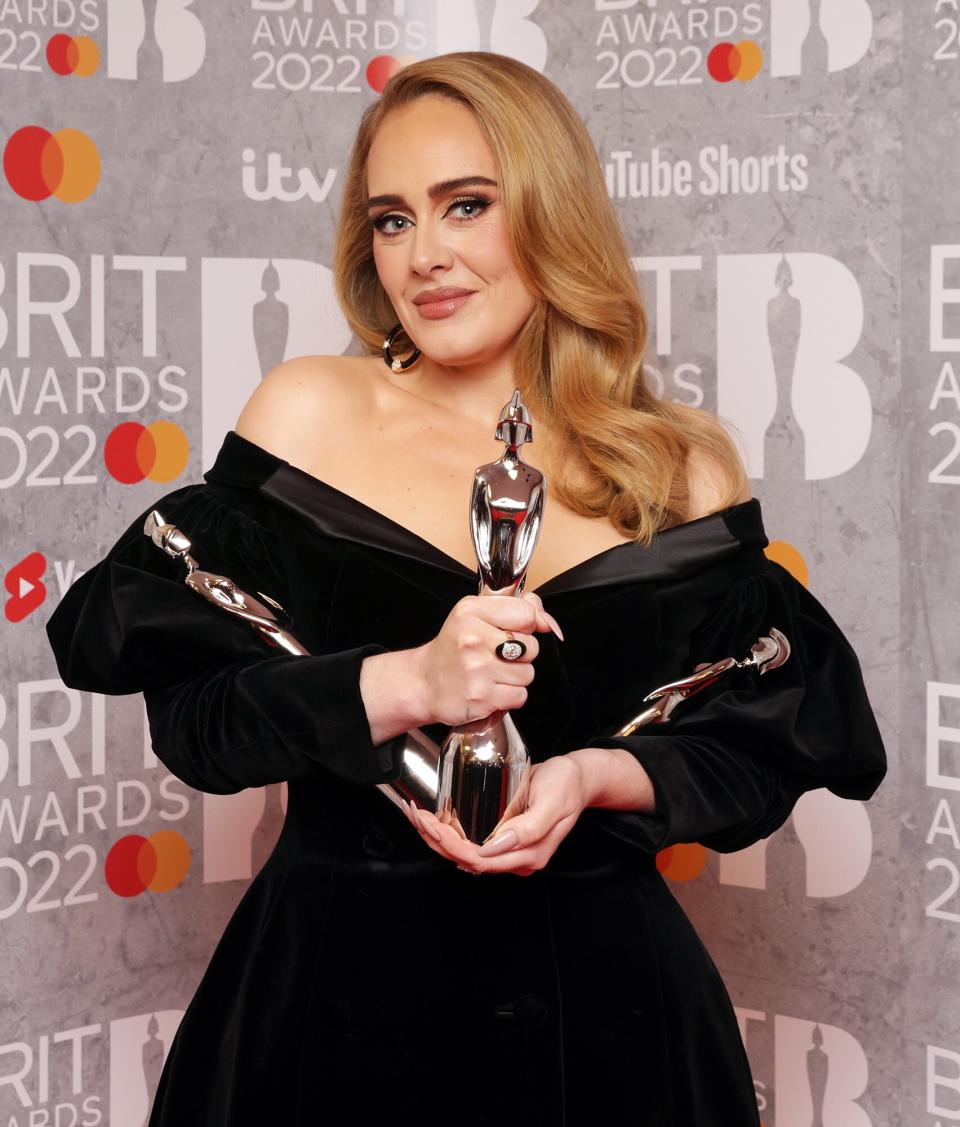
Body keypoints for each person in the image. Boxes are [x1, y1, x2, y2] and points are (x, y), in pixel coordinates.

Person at [46, 51, 886, 1126]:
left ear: (550, 210)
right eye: (392, 220)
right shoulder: (309, 413)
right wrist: (406, 680)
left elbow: (761, 750)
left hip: (613, 1034)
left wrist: (591, 777)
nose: (425, 257)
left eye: (467, 206)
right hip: (327, 1021)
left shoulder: (679, 467)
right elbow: (199, 721)